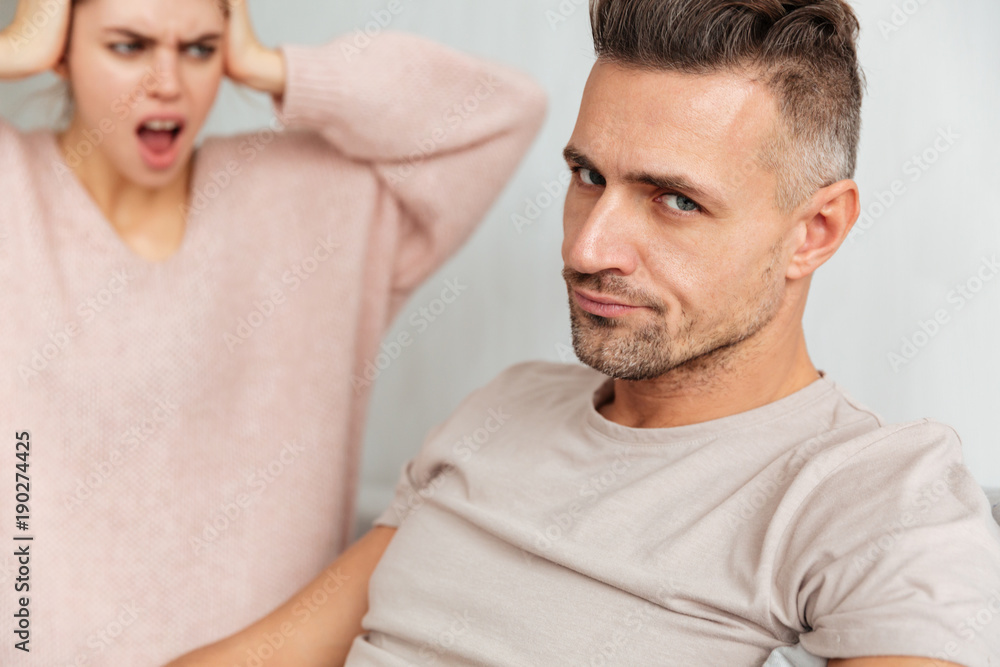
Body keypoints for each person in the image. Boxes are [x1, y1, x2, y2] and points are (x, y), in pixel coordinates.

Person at [171, 0, 1000, 665]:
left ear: (814, 231)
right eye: (588, 176)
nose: (587, 248)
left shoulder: (877, 496)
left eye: (675, 200)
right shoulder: (506, 407)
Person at [0, 0, 546, 663]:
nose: (168, 82)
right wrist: (14, 48)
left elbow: (505, 110)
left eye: (199, 49)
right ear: (61, 50)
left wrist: (274, 67)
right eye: (128, 46)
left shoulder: (316, 196)